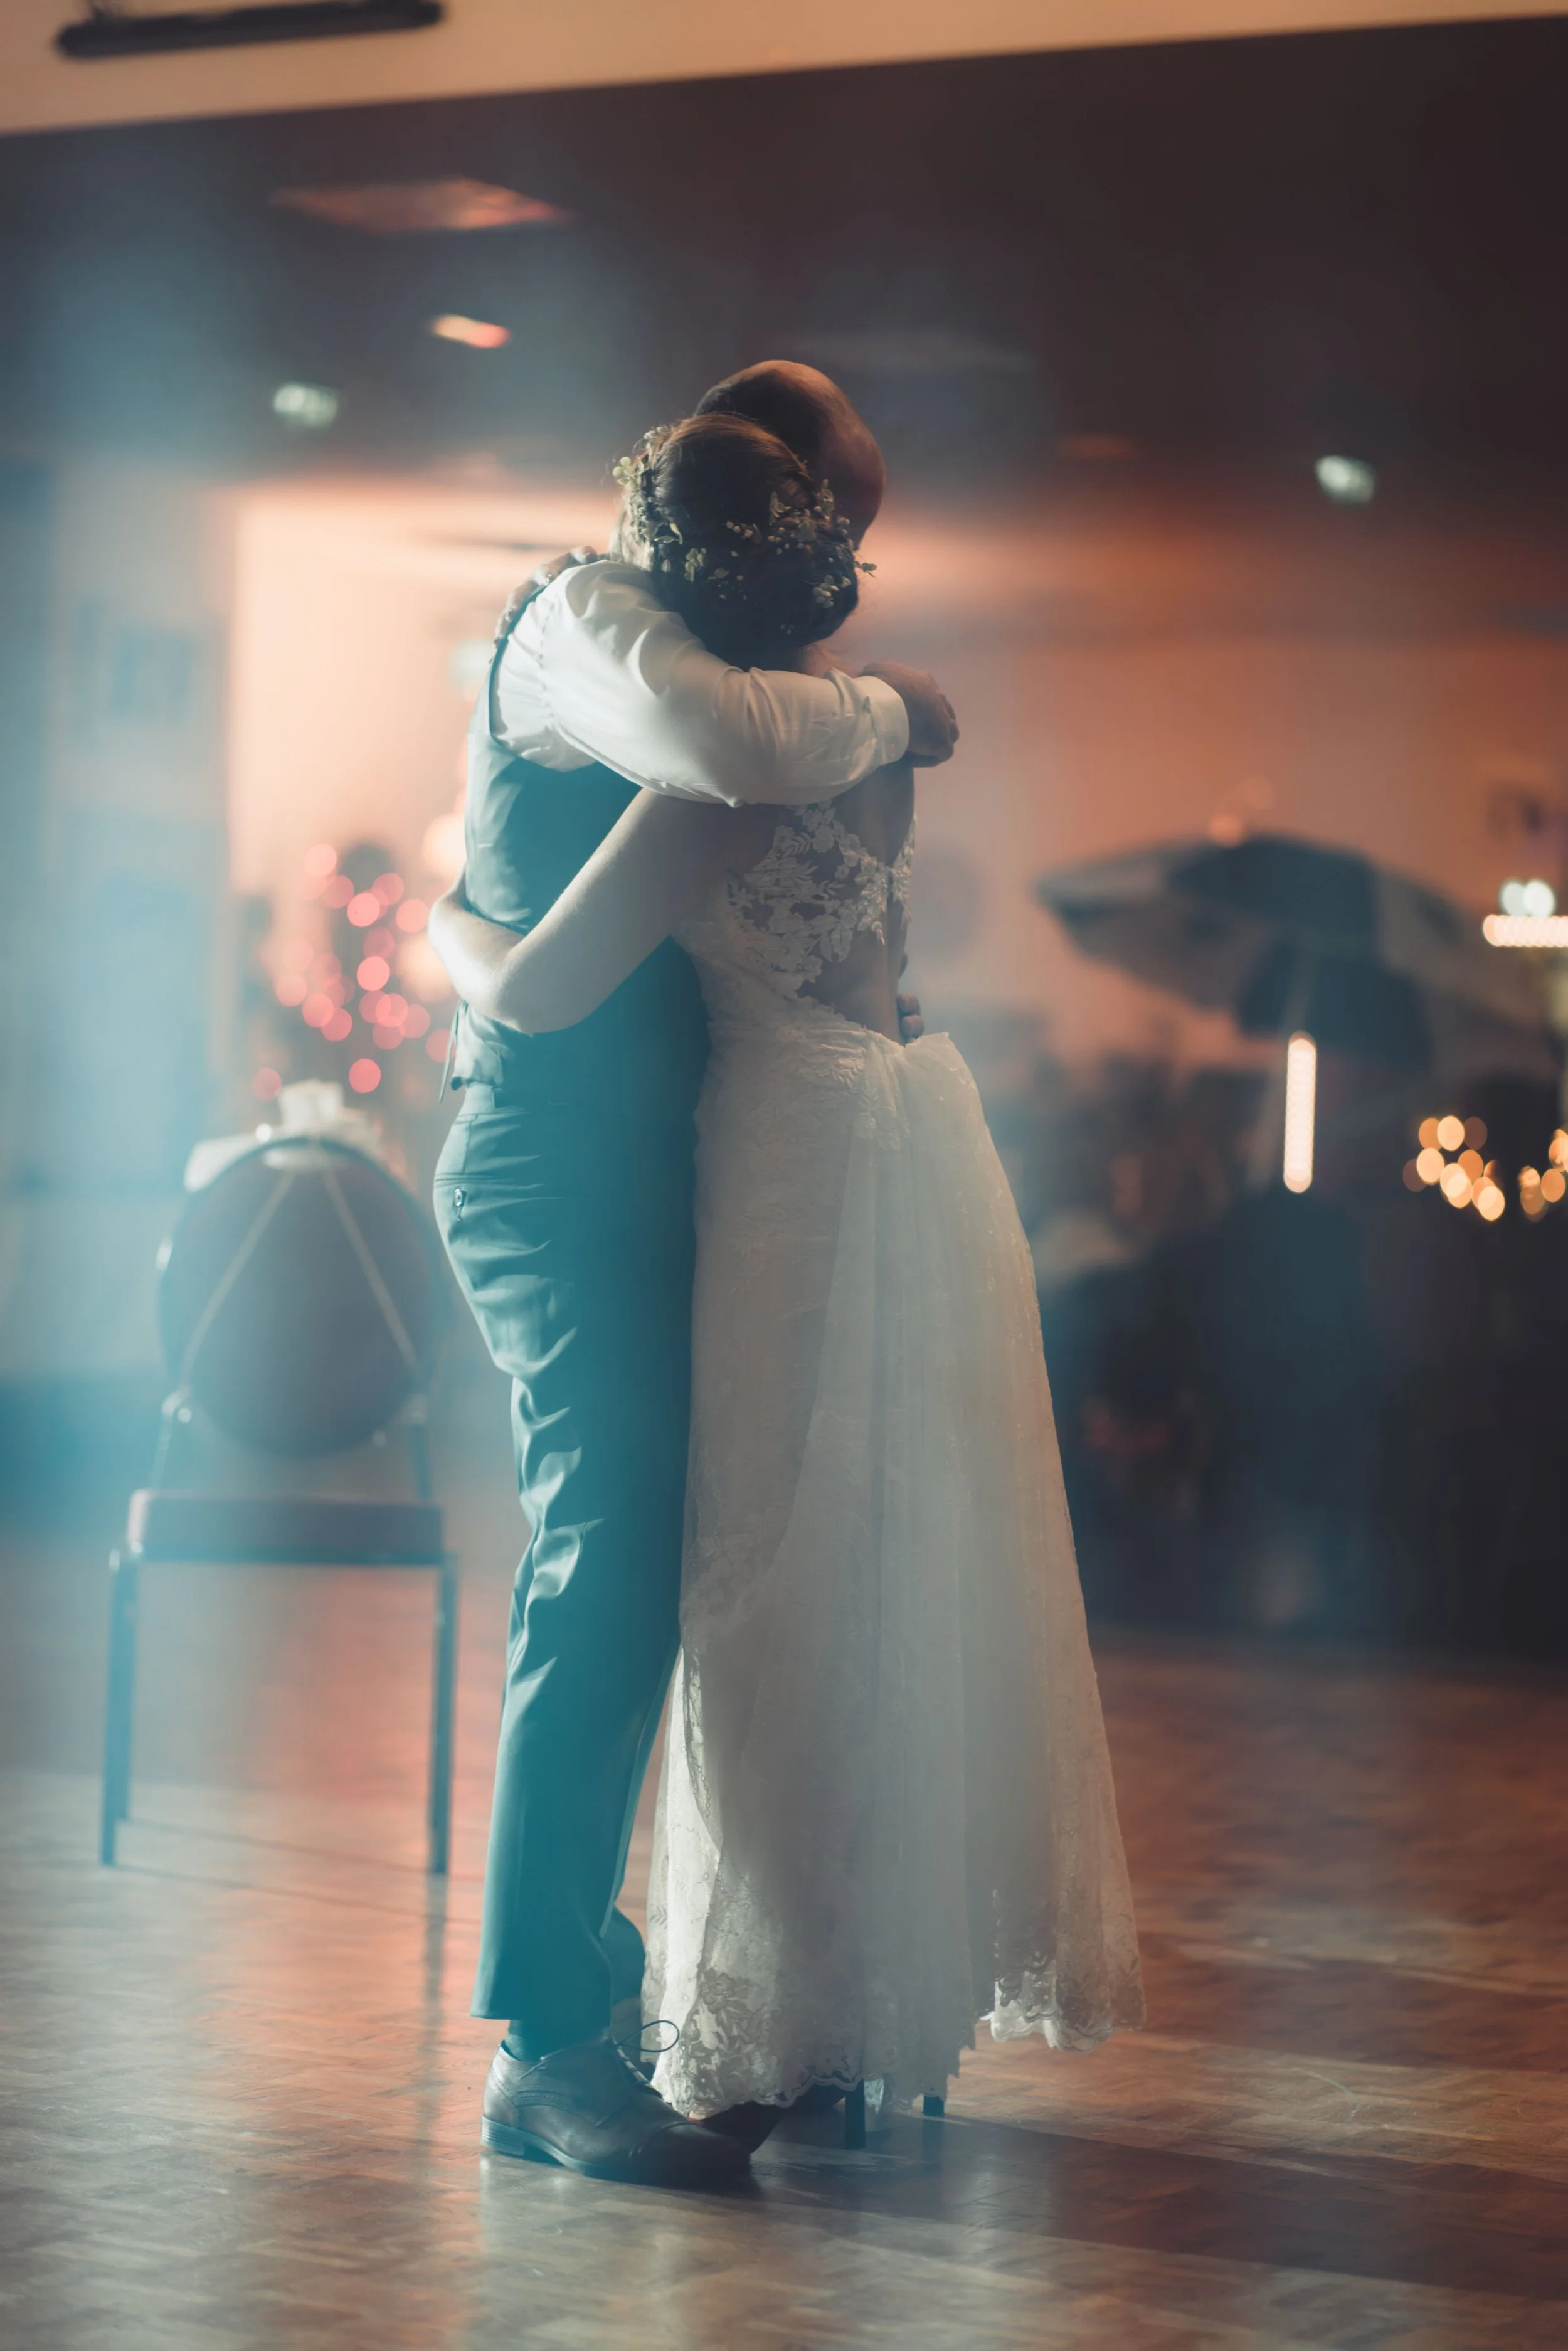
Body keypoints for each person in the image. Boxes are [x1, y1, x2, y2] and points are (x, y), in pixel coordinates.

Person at [433, 406, 1144, 2152]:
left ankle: (713, 2005)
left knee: (749, 1583)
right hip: (775, 1159)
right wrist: (897, 704)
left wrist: (452, 926)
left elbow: (534, 978)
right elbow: (724, 745)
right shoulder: (634, 656)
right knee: (746, 1572)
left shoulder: (743, 755)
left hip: (739, 1165)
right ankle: (609, 2028)